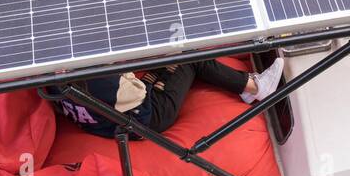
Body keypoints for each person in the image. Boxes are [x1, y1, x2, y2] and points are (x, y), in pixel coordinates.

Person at [57, 57, 286, 139]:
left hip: (109, 121)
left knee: (167, 56)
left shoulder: (47, 73)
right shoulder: (100, 79)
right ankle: (255, 87)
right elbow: (136, 93)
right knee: (190, 56)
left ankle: (247, 86)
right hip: (150, 115)